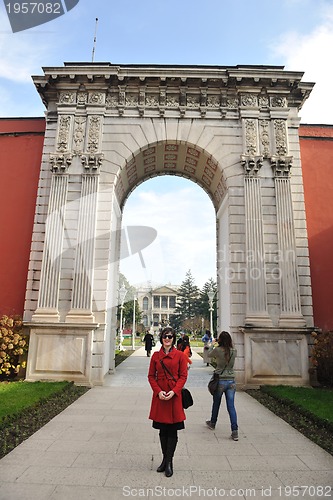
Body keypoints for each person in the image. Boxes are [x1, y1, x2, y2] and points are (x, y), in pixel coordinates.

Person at [148, 326, 188, 477]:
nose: (167, 339)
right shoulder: (155, 356)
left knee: (172, 430)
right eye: (165, 336)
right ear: (161, 338)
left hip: (173, 396)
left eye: (170, 336)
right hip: (160, 396)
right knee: (162, 430)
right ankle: (165, 459)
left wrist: (174, 391)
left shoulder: (180, 356)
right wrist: (158, 392)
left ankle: (169, 462)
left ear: (174, 339)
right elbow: (151, 376)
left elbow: (183, 376)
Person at [205, 331, 239, 441]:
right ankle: (235, 431)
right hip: (231, 381)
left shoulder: (218, 350)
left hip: (220, 380)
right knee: (231, 406)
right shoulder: (234, 351)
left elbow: (208, 354)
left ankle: (213, 422)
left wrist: (212, 343)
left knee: (216, 403)